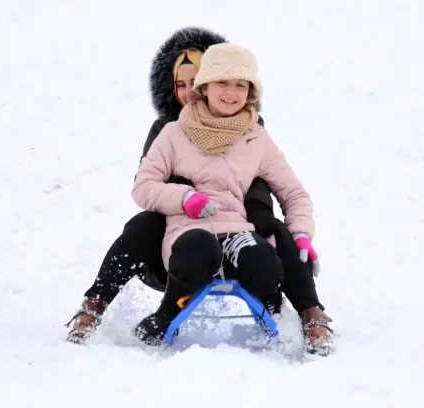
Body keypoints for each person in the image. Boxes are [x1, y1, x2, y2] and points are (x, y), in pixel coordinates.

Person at [131, 43, 333, 355]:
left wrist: (303, 232)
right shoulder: (173, 133)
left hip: (236, 232)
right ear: (205, 86)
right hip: (189, 231)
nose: (231, 93)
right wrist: (184, 198)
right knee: (197, 249)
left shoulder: (255, 136)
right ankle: (167, 312)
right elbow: (143, 186)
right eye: (223, 82)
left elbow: (293, 192)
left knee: (265, 260)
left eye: (241, 85)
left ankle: (308, 313)